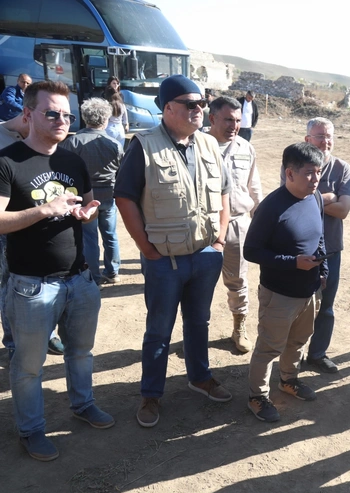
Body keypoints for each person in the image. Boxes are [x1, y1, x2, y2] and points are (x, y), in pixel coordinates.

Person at [0, 80, 110, 461]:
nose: (62, 119)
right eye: (52, 112)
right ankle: (30, 431)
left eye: (67, 113)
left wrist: (85, 211)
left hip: (79, 279)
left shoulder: (72, 160)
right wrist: (46, 209)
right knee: (29, 367)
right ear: (28, 115)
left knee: (81, 353)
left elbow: (92, 202)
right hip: (32, 286)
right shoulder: (8, 161)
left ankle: (83, 404)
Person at [114, 75, 232, 428]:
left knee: (199, 322)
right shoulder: (144, 145)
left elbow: (224, 192)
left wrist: (220, 239)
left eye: (202, 104)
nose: (199, 110)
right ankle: (151, 394)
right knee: (159, 329)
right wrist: (145, 249)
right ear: (167, 108)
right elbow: (125, 198)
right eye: (190, 104)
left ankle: (200, 377)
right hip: (164, 260)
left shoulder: (210, 145)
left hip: (206, 256)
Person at [244, 142, 327, 422]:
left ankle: (288, 380)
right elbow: (251, 251)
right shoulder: (271, 207)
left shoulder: (314, 198)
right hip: (279, 294)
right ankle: (257, 396)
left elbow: (320, 236)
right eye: (308, 173)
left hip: (309, 290)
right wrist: (292, 262)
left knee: (298, 341)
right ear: (289, 173)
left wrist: (322, 269)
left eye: (318, 172)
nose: (315, 179)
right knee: (269, 348)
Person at [0, 115, 65, 360]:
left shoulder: (48, 141)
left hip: (43, 225)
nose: (58, 122)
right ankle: (13, 341)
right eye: (50, 115)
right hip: (10, 227)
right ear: (29, 115)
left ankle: (48, 335)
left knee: (48, 281)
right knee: (9, 285)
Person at [300, 117, 350, 373]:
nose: (326, 142)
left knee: (326, 306)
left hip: (331, 250)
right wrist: (326, 198)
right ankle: (293, 356)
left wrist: (310, 198)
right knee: (299, 305)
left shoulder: (342, 169)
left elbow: (344, 210)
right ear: (307, 140)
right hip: (300, 248)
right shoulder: (296, 163)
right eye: (320, 136)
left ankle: (318, 354)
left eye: (329, 136)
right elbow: (291, 200)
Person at [207, 96, 263, 353]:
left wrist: (262, 220)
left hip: (237, 224)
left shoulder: (245, 147)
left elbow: (254, 187)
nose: (234, 125)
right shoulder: (198, 146)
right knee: (199, 283)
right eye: (228, 119)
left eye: (238, 120)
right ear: (212, 118)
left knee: (238, 279)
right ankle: (196, 330)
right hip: (204, 224)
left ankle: (239, 327)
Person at [59, 98, 124, 286]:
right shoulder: (114, 144)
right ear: (106, 118)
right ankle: (113, 272)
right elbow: (121, 170)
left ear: (84, 117)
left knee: (89, 238)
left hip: (84, 198)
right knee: (110, 235)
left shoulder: (73, 142)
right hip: (109, 196)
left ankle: (94, 276)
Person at [103, 78, 128, 146]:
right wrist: (126, 123)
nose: (116, 85)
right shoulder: (121, 104)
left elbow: (105, 117)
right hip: (120, 128)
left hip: (110, 127)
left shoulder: (106, 103)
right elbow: (125, 113)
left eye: (117, 83)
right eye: (114, 83)